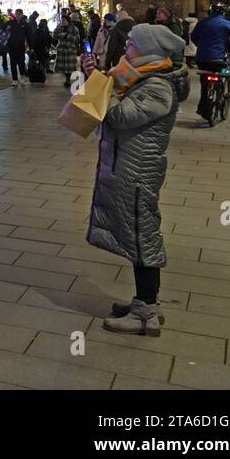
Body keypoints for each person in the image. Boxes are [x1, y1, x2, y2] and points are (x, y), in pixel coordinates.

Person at [83, 23, 189, 336]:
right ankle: (145, 302)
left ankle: (146, 311)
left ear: (147, 49)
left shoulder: (157, 85)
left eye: (131, 42)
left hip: (138, 173)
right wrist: (97, 76)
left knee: (143, 237)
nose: (126, 46)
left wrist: (95, 84)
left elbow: (118, 116)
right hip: (128, 168)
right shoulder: (136, 75)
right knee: (135, 234)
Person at [190, 5, 230, 122]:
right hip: (218, 58)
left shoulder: (203, 23)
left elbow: (193, 37)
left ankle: (203, 107)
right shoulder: (226, 23)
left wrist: (201, 46)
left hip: (202, 59)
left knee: (204, 82)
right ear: (224, 12)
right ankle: (220, 91)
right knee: (222, 72)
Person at [53, 12, 83, 88]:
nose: (62, 22)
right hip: (62, 49)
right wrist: (60, 35)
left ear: (68, 21)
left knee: (69, 67)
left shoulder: (74, 28)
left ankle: (68, 79)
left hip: (70, 50)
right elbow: (54, 36)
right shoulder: (59, 27)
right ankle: (67, 78)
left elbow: (77, 39)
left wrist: (67, 36)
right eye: (61, 20)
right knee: (63, 67)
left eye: (64, 20)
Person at [6, 9, 30, 86]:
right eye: (16, 14)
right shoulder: (10, 23)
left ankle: (22, 75)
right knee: (13, 63)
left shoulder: (25, 24)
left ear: (22, 15)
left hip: (21, 47)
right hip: (11, 47)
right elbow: (3, 30)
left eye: (19, 14)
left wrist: (31, 46)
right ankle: (15, 79)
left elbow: (29, 36)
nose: (17, 15)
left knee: (21, 62)